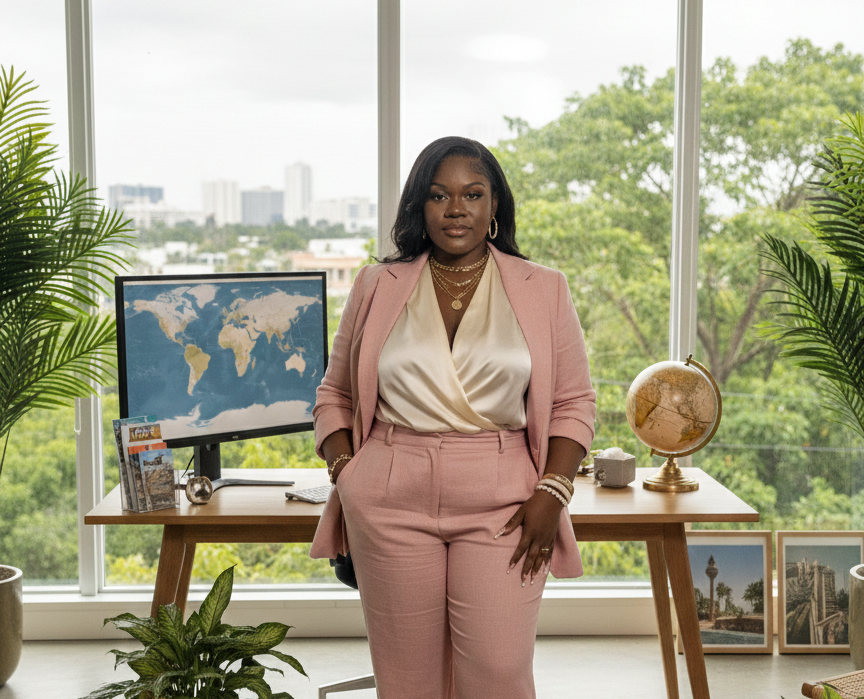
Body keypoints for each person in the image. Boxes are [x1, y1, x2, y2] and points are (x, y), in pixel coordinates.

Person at [309, 136, 596, 699]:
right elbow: (334, 394)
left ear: (494, 207)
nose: (456, 208)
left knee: (498, 672)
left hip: (505, 496)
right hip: (389, 490)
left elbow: (573, 403)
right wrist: (349, 472)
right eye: (439, 196)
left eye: (472, 194)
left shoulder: (545, 288)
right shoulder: (375, 285)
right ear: (421, 206)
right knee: (409, 681)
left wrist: (553, 491)